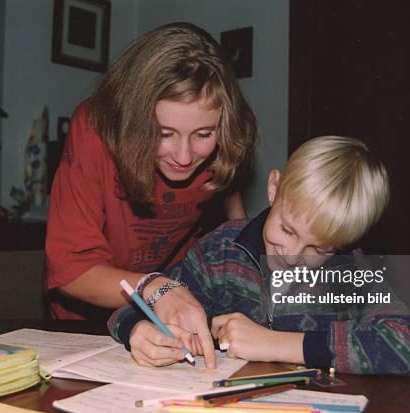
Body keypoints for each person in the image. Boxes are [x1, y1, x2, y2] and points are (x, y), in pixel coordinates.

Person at [108, 136, 410, 377]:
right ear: (274, 188)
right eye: (287, 230)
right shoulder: (221, 250)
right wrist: (138, 331)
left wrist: (275, 343)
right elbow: (126, 311)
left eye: (318, 249)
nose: (292, 256)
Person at [45, 22, 257, 367]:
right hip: (86, 321)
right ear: (134, 121)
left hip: (176, 310)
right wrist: (157, 287)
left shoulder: (231, 127)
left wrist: (246, 247)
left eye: (203, 134)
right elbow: (71, 271)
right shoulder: (96, 130)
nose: (185, 157)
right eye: (164, 134)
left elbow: (230, 189)